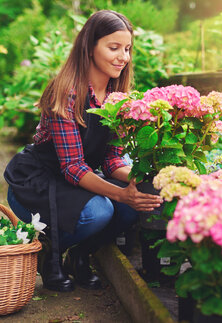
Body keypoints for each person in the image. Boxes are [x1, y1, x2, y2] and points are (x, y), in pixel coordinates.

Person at [4, 10, 162, 292]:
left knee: (133, 205)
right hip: (37, 185)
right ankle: (49, 253)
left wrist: (141, 179)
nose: (123, 57)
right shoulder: (65, 93)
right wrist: (119, 192)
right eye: (113, 48)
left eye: (127, 49)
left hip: (74, 183)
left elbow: (112, 159)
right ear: (89, 47)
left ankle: (80, 255)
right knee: (100, 210)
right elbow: (73, 166)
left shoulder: (117, 97)